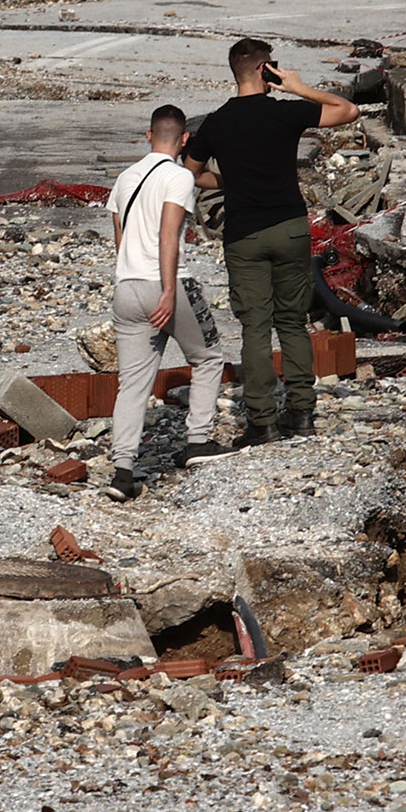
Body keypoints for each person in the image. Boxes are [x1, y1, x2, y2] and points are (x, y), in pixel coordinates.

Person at [183, 38, 357, 444]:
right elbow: (348, 111)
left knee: (255, 329)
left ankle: (261, 423)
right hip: (289, 226)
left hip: (243, 233)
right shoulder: (286, 112)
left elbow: (189, 173)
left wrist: (230, 182)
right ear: (266, 70)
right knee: (293, 322)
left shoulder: (216, 122)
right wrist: (298, 87)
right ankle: (301, 414)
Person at [102, 105, 235, 502]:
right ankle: (197, 442)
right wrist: (165, 291)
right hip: (167, 285)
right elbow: (168, 234)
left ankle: (122, 471)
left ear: (148, 136)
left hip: (126, 287)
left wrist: (134, 277)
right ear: (184, 141)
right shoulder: (179, 176)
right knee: (209, 357)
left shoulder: (125, 178)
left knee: (133, 383)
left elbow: (120, 238)